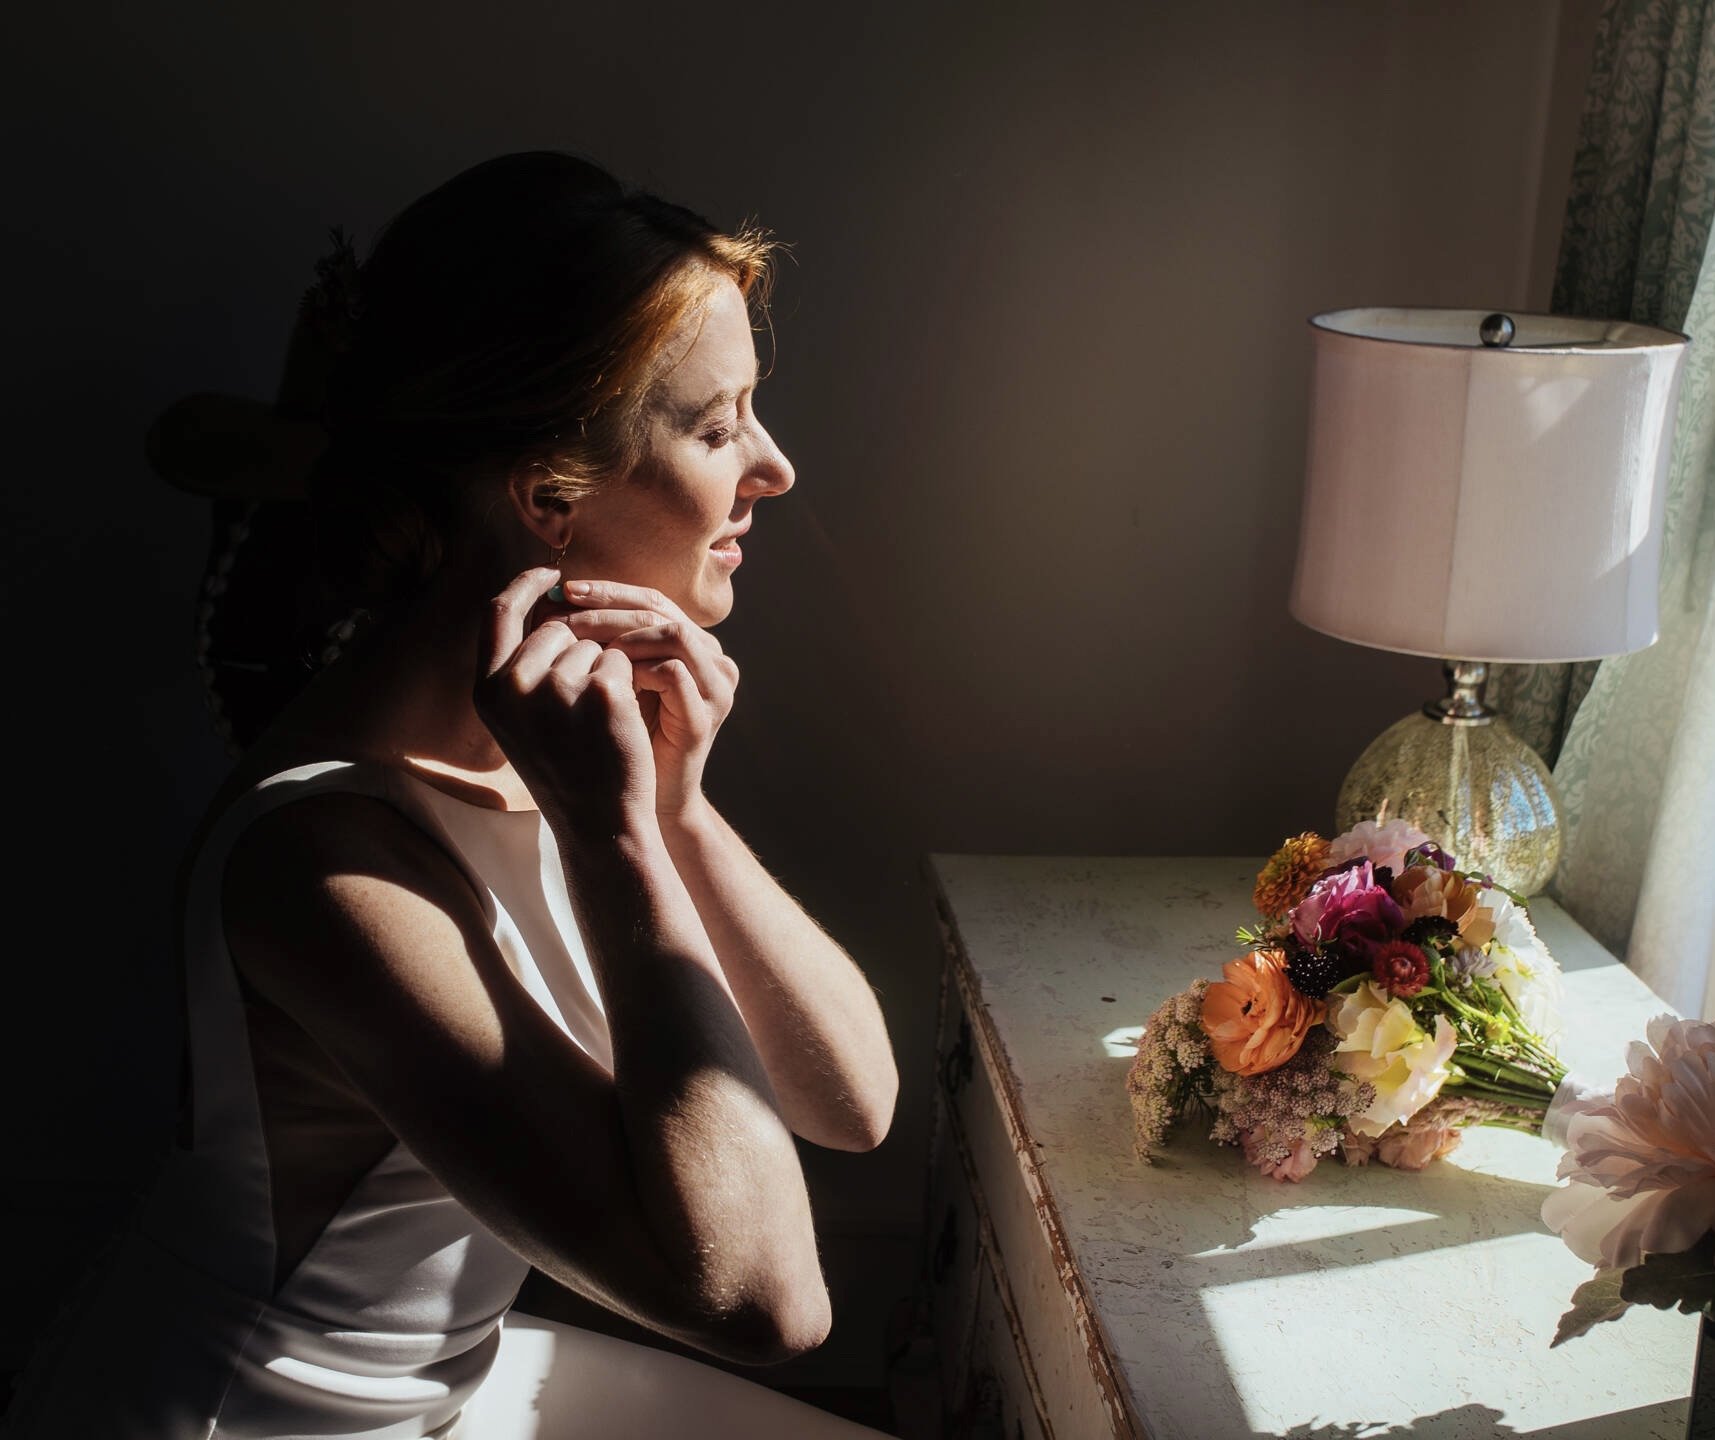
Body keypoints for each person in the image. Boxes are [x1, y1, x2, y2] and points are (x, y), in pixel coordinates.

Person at [1, 150, 899, 1439]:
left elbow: (851, 1105)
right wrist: (615, 834)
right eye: (717, 427)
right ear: (549, 497)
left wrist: (679, 810)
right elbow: (763, 1303)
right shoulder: (326, 863)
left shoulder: (550, 750)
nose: (775, 467)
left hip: (450, 1388)